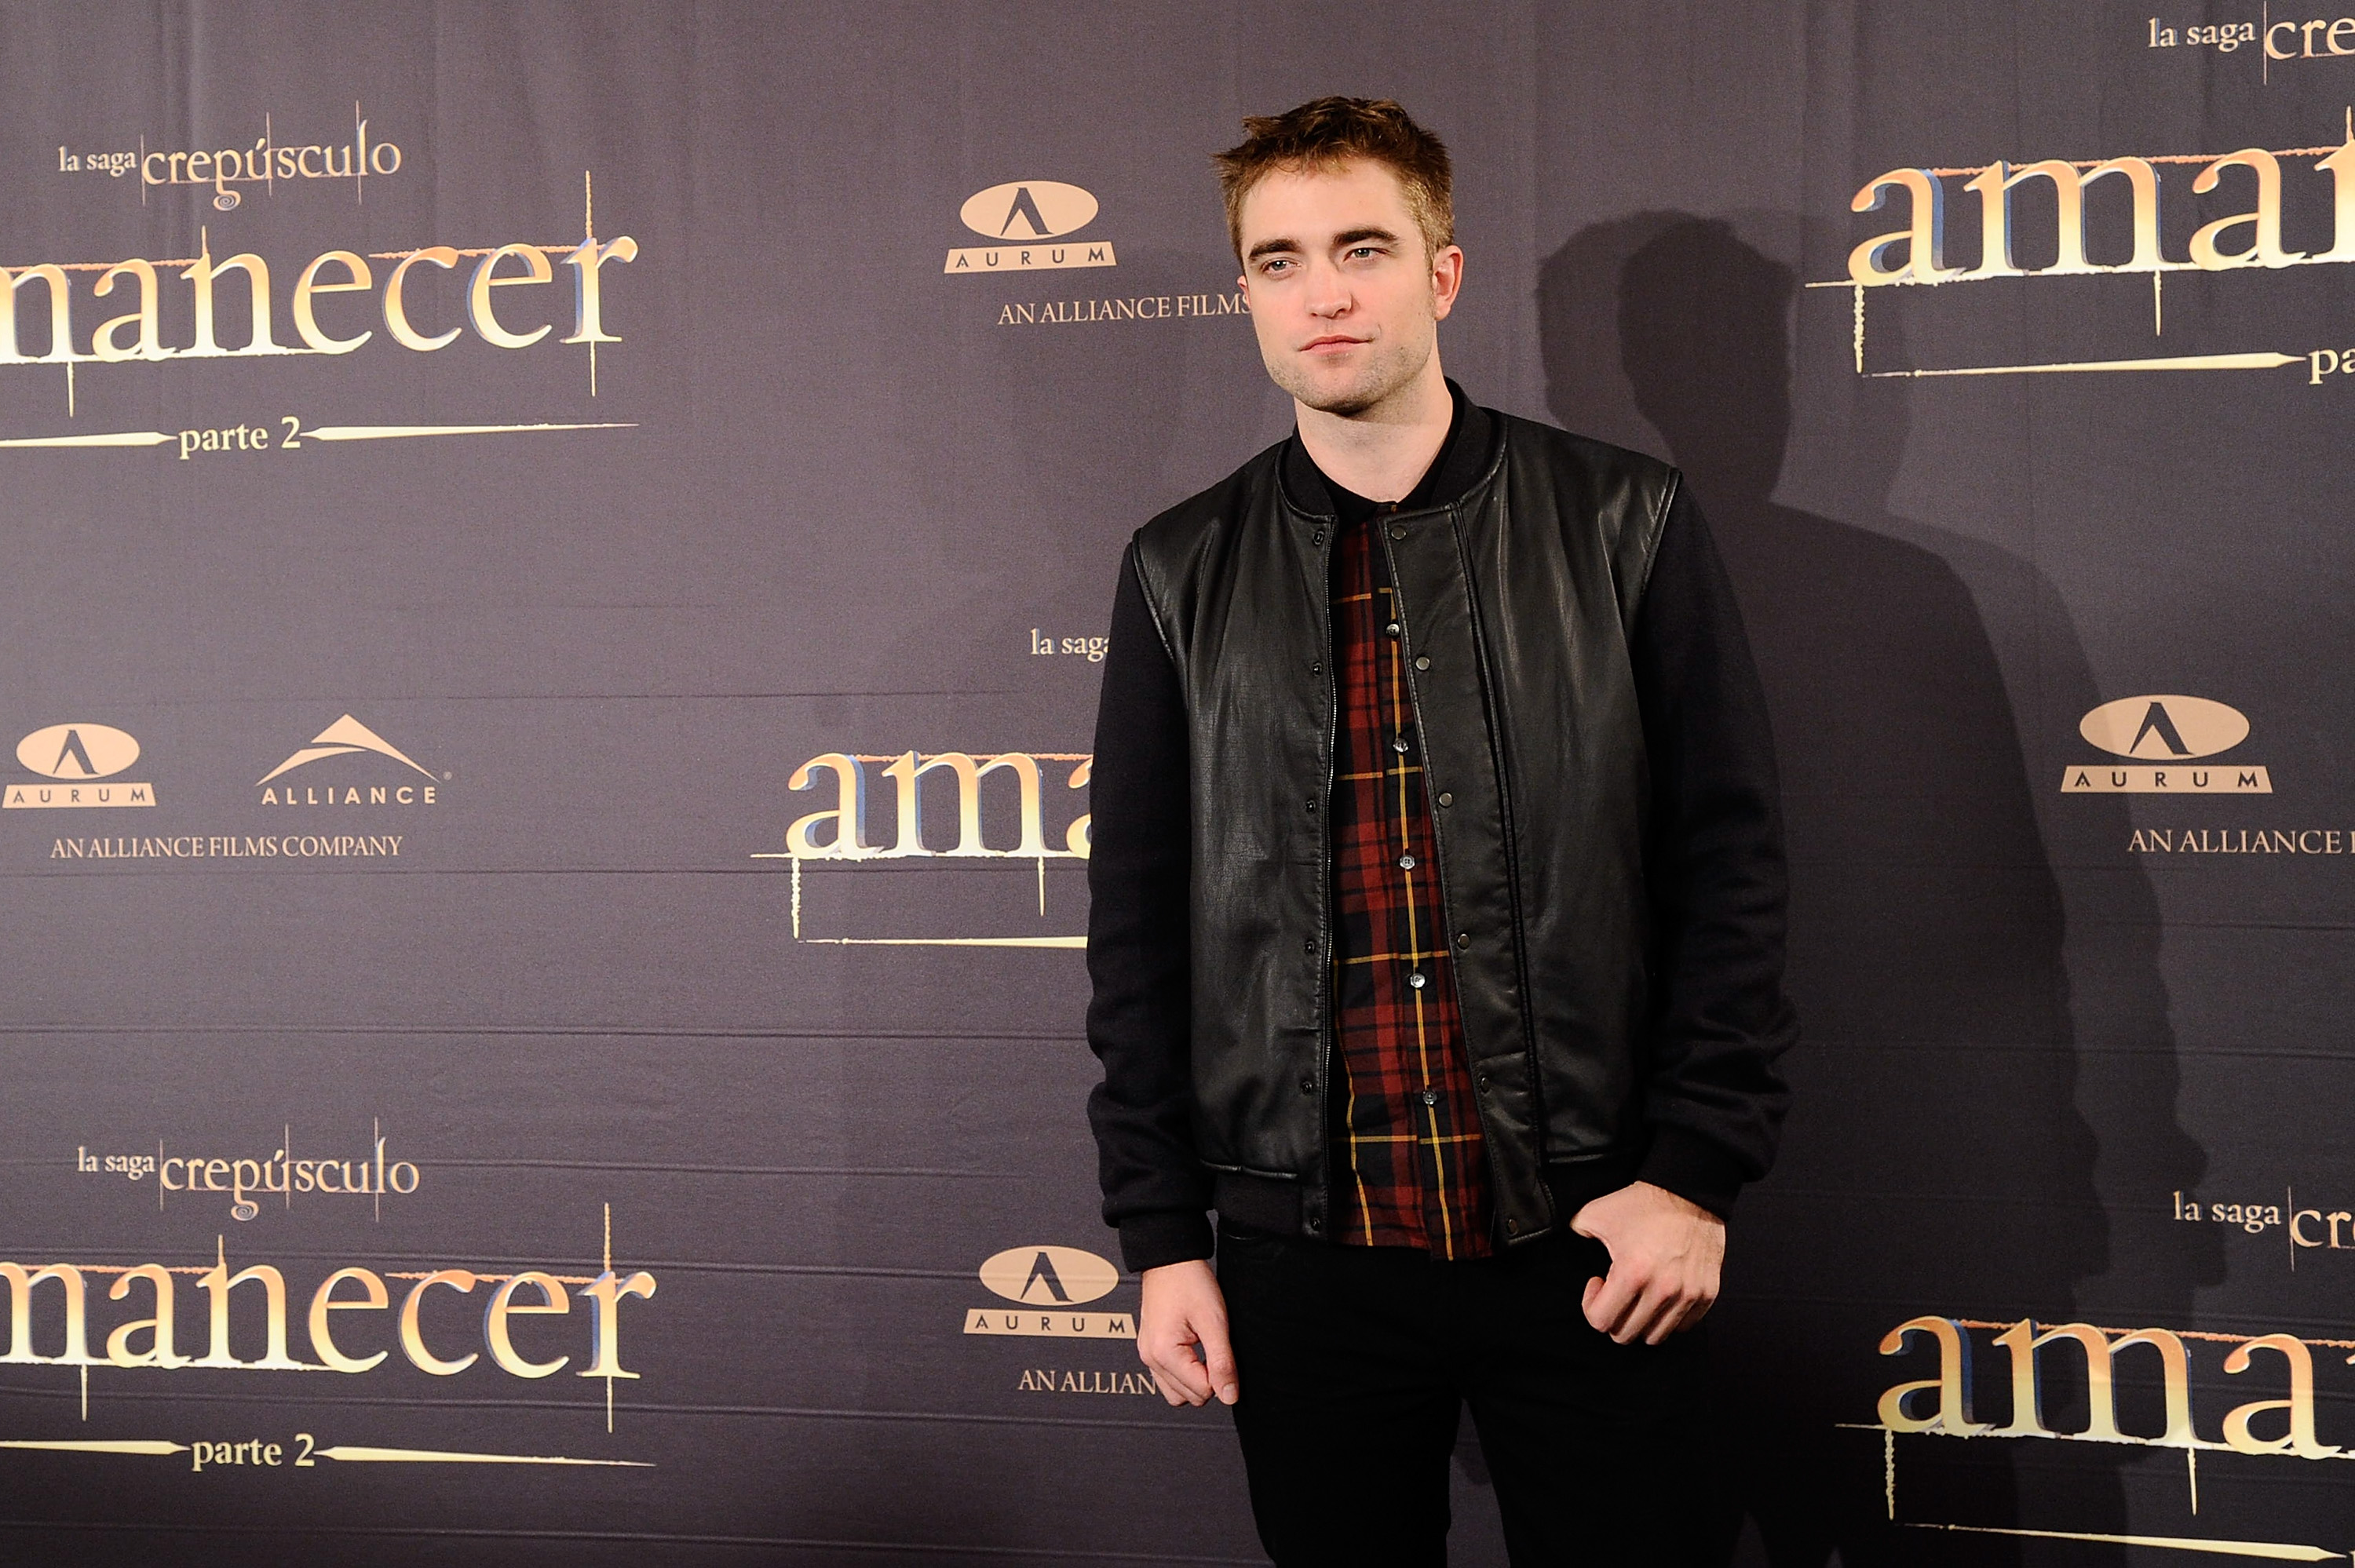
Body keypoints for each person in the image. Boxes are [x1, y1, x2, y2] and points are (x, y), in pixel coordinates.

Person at [1083, 96, 1796, 1566]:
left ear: (1443, 274)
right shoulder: (1176, 570)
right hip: (1302, 1263)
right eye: (1279, 260)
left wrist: (1693, 1174)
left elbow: (1727, 870)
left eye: (1363, 248)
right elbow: (1138, 931)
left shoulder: (1625, 520)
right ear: (1246, 295)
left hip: (1594, 1237)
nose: (1323, 294)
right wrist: (1161, 1237)